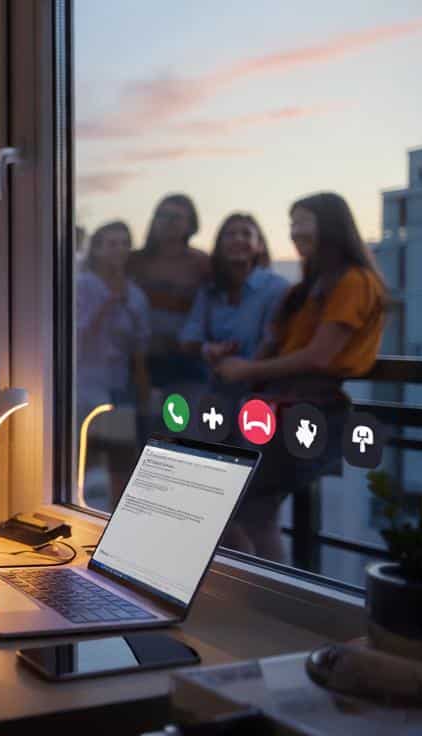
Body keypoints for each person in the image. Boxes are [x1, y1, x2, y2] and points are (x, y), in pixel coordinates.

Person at [214, 192, 386, 561]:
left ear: (331, 225)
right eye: (292, 223)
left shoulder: (354, 282)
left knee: (246, 506)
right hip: (281, 409)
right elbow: (276, 344)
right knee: (244, 509)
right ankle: (257, 596)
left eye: (303, 221)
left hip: (314, 413)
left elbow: (320, 356)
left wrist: (247, 369)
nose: (295, 231)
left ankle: (266, 600)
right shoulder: (304, 290)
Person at [75, 221, 151, 508]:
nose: (119, 249)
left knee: (121, 459)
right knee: (84, 456)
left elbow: (139, 350)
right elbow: (75, 336)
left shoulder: (136, 295)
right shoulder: (81, 287)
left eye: (124, 243)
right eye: (112, 243)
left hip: (119, 389)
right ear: (96, 249)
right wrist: (108, 303)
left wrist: (143, 395)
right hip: (82, 386)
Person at [178, 213, 290, 401]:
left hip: (262, 394)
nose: (238, 239)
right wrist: (209, 349)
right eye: (230, 234)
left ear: (260, 246)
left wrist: (240, 370)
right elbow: (188, 337)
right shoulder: (208, 290)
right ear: (219, 245)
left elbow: (273, 341)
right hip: (213, 393)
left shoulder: (276, 288)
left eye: (246, 234)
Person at [127, 194, 211, 393]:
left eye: (176, 217)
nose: (168, 222)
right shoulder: (134, 261)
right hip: (136, 360)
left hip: (186, 363)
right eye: (162, 215)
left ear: (191, 224)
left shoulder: (202, 264)